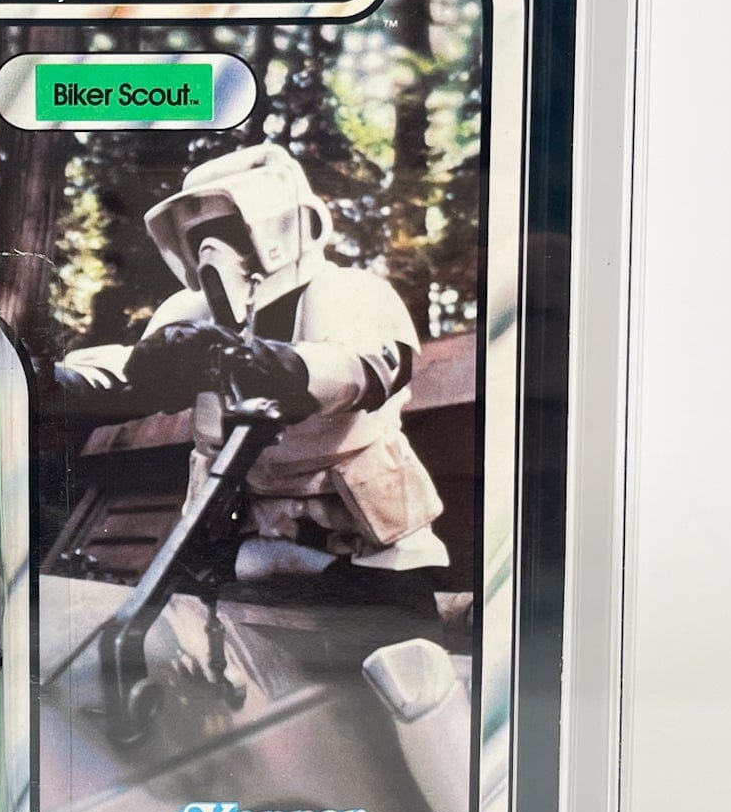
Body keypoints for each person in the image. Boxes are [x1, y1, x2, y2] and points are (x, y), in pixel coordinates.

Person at [58, 144, 448, 665]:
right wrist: (54, 382)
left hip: (371, 559)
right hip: (248, 555)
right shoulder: (192, 314)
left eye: (229, 231)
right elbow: (133, 377)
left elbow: (364, 372)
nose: (212, 252)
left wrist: (253, 361)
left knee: (403, 687)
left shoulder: (349, 293)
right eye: (198, 238)